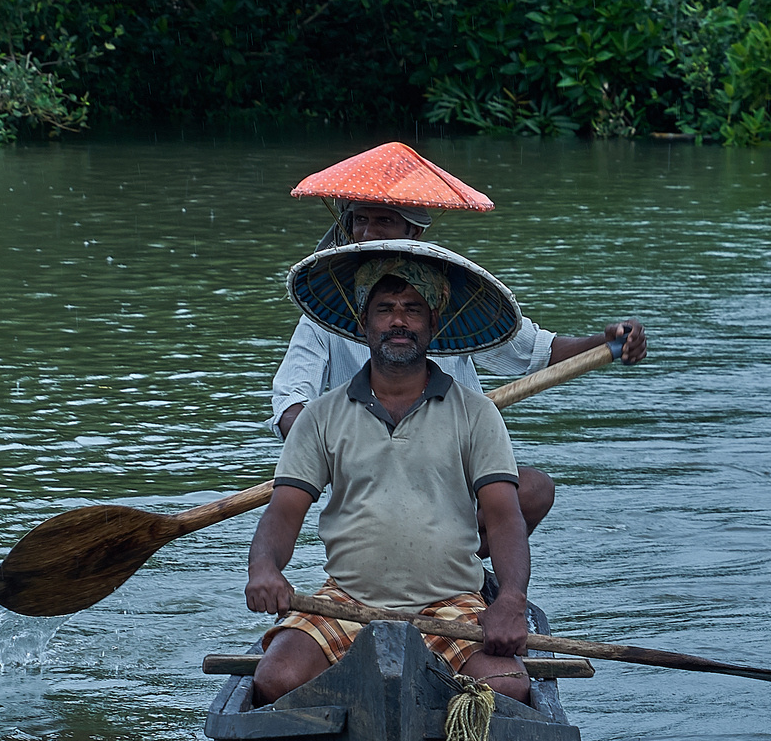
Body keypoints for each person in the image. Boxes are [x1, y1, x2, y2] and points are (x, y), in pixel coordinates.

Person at [270, 143, 647, 538]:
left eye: (382, 220)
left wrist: (608, 343)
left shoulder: (449, 296)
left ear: (413, 231)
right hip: (372, 480)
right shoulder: (328, 313)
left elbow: (538, 352)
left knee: (535, 490)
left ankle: (466, 567)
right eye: (359, 220)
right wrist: (340, 448)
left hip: (453, 467)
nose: (366, 233)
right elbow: (290, 403)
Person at [246, 239, 539, 708]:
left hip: (449, 604)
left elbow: (505, 517)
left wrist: (510, 601)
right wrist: (263, 567)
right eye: (385, 309)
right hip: (346, 602)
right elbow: (283, 511)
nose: (398, 321)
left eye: (412, 310)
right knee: (276, 678)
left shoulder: (477, 414)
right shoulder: (320, 416)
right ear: (364, 325)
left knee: (506, 688)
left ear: (433, 324)